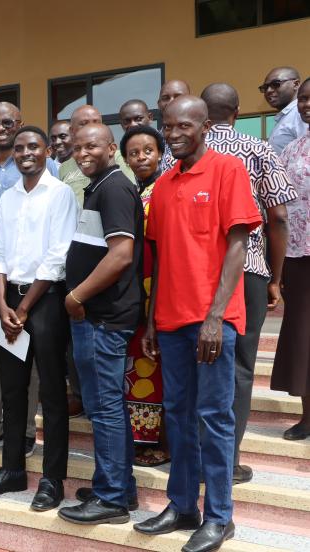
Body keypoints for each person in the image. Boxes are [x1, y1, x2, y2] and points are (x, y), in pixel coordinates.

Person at [135, 96, 262, 552]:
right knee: (178, 418)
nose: (173, 133)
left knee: (214, 418)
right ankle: (182, 505)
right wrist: (151, 323)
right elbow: (162, 259)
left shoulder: (228, 171)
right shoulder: (164, 185)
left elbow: (237, 246)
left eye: (183, 125)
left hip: (214, 321)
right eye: (167, 126)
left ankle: (219, 517)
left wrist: (215, 316)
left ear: (206, 125)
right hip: (169, 322)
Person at [0, 127, 77, 511]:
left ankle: (52, 480)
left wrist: (25, 307)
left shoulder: (60, 193)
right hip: (10, 301)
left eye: (33, 146)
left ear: (47, 151)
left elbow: (58, 254)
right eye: (19, 148)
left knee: (50, 392)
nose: (25, 153)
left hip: (45, 300)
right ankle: (12, 469)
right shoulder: (9, 197)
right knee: (13, 392)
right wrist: (1, 302)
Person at [201, 83, 296, 484]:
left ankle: (196, 455)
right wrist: (277, 279)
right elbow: (278, 218)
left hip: (198, 271)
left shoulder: (183, 151)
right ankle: (229, 460)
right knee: (240, 366)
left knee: (199, 362)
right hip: (249, 267)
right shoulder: (258, 149)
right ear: (236, 112)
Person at [56, 124, 143, 525]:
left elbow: (121, 255)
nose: (82, 153)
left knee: (105, 408)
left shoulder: (113, 187)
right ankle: (118, 488)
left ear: (111, 148)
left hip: (102, 318)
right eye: (76, 148)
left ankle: (111, 499)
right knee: (104, 406)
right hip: (96, 316)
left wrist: (77, 296)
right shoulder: (100, 186)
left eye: (91, 145)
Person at [0, 102, 59, 457]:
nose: (1, 128)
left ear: (20, 124)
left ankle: (22, 429)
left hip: (34, 283)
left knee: (27, 355)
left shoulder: (46, 169)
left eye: (8, 122)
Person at [119, 125, 169, 468]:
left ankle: (163, 440)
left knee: (161, 367)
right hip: (136, 294)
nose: (141, 157)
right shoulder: (132, 190)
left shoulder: (166, 188)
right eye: (134, 153)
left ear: (160, 152)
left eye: (147, 150)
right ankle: (141, 440)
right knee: (139, 369)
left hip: (162, 291)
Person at [272, 78, 310, 440]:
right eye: (302, 99)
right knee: (302, 336)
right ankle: (307, 416)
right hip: (299, 255)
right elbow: (277, 206)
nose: (306, 104)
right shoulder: (291, 150)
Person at [59, 105, 136, 207]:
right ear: (71, 131)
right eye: (84, 124)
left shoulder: (118, 156)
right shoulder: (64, 167)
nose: (91, 127)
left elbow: (126, 194)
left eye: (96, 122)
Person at [261, 66, 307, 155]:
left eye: (276, 84)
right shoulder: (287, 116)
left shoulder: (301, 113)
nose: (268, 91)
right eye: (265, 87)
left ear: (296, 84)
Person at [158, 80, 192, 172]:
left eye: (178, 97)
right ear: (158, 104)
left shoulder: (204, 138)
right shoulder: (153, 140)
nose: (172, 102)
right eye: (166, 98)